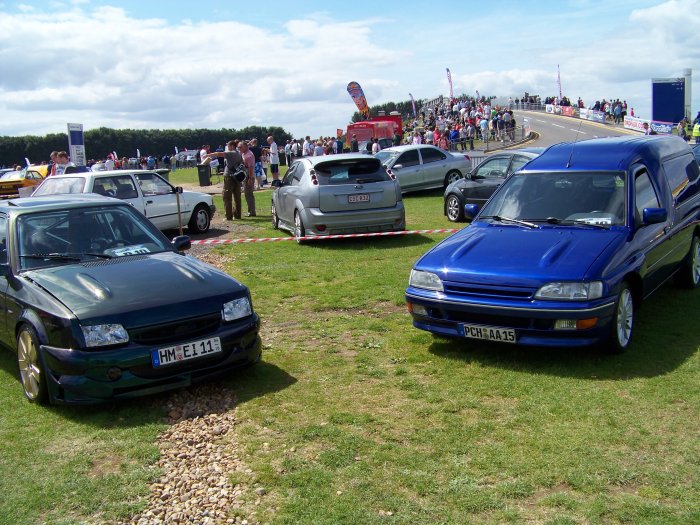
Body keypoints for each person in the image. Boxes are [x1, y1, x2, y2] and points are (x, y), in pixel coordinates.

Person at [205, 140, 243, 220]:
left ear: (232, 146)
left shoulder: (231, 153)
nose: (227, 148)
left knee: (227, 197)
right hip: (237, 176)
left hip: (229, 176)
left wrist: (208, 155)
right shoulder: (239, 153)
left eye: (228, 146)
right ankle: (237, 214)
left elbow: (219, 154)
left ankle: (228, 216)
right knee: (237, 197)